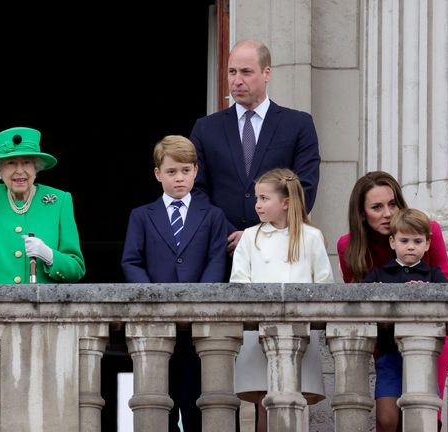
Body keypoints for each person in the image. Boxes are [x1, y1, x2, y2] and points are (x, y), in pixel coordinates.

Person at [0, 126, 86, 411]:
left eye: (26, 163)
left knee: (41, 409)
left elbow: (76, 267)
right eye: (11, 163)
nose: (19, 170)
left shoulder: (59, 201)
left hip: (42, 323)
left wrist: (50, 256)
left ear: (37, 167)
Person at [121, 135, 228, 431]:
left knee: (197, 404)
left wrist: (199, 300)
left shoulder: (213, 216)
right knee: (158, 404)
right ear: (158, 174)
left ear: (196, 170)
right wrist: (153, 297)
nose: (179, 178)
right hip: (156, 325)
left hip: (198, 328)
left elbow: (217, 261)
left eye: (185, 170)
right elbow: (131, 261)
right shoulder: (142, 216)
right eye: (171, 172)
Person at [337, 171, 448, 431]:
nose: (388, 213)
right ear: (362, 213)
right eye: (377, 207)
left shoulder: (427, 231)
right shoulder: (349, 247)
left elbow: (446, 291)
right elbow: (356, 303)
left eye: (393, 204)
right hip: (387, 339)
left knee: (424, 411)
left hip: (436, 334)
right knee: (389, 416)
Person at [190, 39, 321, 256]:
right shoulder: (205, 128)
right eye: (232, 72)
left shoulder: (298, 125)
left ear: (266, 73)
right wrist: (228, 234)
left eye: (246, 72)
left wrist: (259, 235)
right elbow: (195, 190)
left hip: (280, 252)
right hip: (220, 251)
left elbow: (304, 189)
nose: (237, 81)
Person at [230, 168, 332, 432]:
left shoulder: (311, 237)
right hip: (258, 335)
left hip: (300, 335)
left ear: (285, 202)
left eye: (264, 198)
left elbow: (324, 286)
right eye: (257, 198)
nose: (257, 204)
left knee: (294, 401)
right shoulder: (250, 237)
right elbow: (239, 285)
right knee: (265, 404)